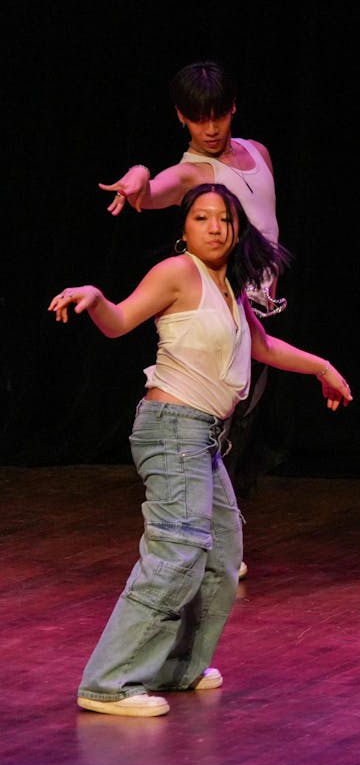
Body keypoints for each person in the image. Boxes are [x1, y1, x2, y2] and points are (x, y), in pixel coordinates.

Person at [49, 183, 352, 717]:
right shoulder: (178, 273)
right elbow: (120, 321)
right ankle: (108, 681)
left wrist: (322, 367)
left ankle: (176, 668)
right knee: (176, 552)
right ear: (184, 228)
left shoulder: (227, 285)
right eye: (202, 218)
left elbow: (262, 345)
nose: (214, 227)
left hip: (203, 439)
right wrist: (96, 297)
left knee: (221, 557)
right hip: (172, 430)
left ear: (237, 230)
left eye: (225, 219)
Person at [100, 60, 284, 577]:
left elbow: (267, 229)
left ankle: (217, 539)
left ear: (232, 110)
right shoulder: (192, 172)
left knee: (239, 430)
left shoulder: (259, 154)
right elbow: (155, 189)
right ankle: (198, 539)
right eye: (198, 118)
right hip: (217, 318)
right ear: (182, 117)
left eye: (218, 116)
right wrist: (138, 178)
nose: (210, 129)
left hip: (257, 312)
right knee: (214, 427)